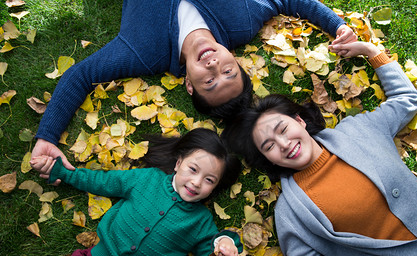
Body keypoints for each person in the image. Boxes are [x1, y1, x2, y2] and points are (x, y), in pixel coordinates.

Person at [216, 42, 417, 256]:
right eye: (269, 146)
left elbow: (407, 100)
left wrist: (370, 51)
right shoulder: (291, 214)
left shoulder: (359, 130)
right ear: (268, 159)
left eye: (282, 129)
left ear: (299, 120)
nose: (283, 144)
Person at [31, 0, 357, 179]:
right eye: (228, 71)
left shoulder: (143, 51)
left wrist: (47, 137)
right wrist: (338, 26)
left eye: (209, 81)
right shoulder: (243, 19)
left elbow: (82, 75)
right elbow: (293, 0)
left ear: (188, 83)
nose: (214, 66)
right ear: (235, 58)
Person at [30, 128, 243, 256]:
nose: (196, 183)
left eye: (209, 180)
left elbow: (210, 252)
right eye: (193, 169)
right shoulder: (147, 179)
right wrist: (62, 172)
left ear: (214, 187)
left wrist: (224, 247)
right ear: (178, 163)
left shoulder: (201, 221)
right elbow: (102, 182)